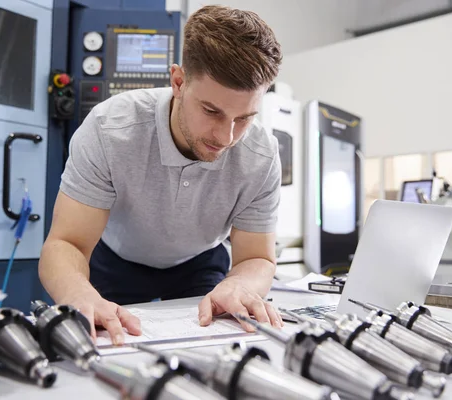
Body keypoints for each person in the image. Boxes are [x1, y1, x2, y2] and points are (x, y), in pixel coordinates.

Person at [38, 5, 284, 345]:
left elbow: (257, 257)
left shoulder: (261, 155)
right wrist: (78, 295)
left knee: (218, 347)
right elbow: (65, 244)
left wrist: (240, 285)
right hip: (116, 260)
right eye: (212, 111)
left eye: (244, 118)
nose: (226, 137)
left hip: (200, 261)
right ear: (178, 82)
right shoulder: (110, 131)